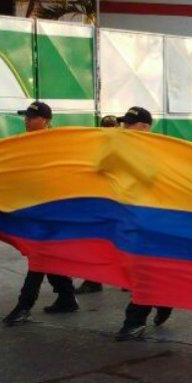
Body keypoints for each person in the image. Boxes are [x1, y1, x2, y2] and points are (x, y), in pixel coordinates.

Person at [2, 102, 78, 326]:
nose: (26, 120)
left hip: (53, 210)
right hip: (32, 208)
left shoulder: (56, 143)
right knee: (47, 255)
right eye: (25, 116)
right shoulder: (22, 142)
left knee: (39, 255)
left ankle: (24, 305)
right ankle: (66, 297)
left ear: (45, 120)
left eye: (31, 117)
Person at [113, 107, 174, 340]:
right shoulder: (124, 151)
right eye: (125, 124)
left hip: (152, 221)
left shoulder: (158, 152)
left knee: (144, 271)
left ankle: (135, 320)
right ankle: (163, 300)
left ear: (146, 128)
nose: (126, 128)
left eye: (132, 124)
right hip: (131, 220)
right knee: (138, 270)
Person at [75, 115, 123, 295]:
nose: (109, 131)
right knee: (96, 244)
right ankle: (93, 280)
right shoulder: (95, 150)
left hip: (117, 205)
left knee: (119, 244)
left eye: (112, 127)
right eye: (106, 128)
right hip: (100, 205)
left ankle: (127, 279)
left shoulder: (123, 151)